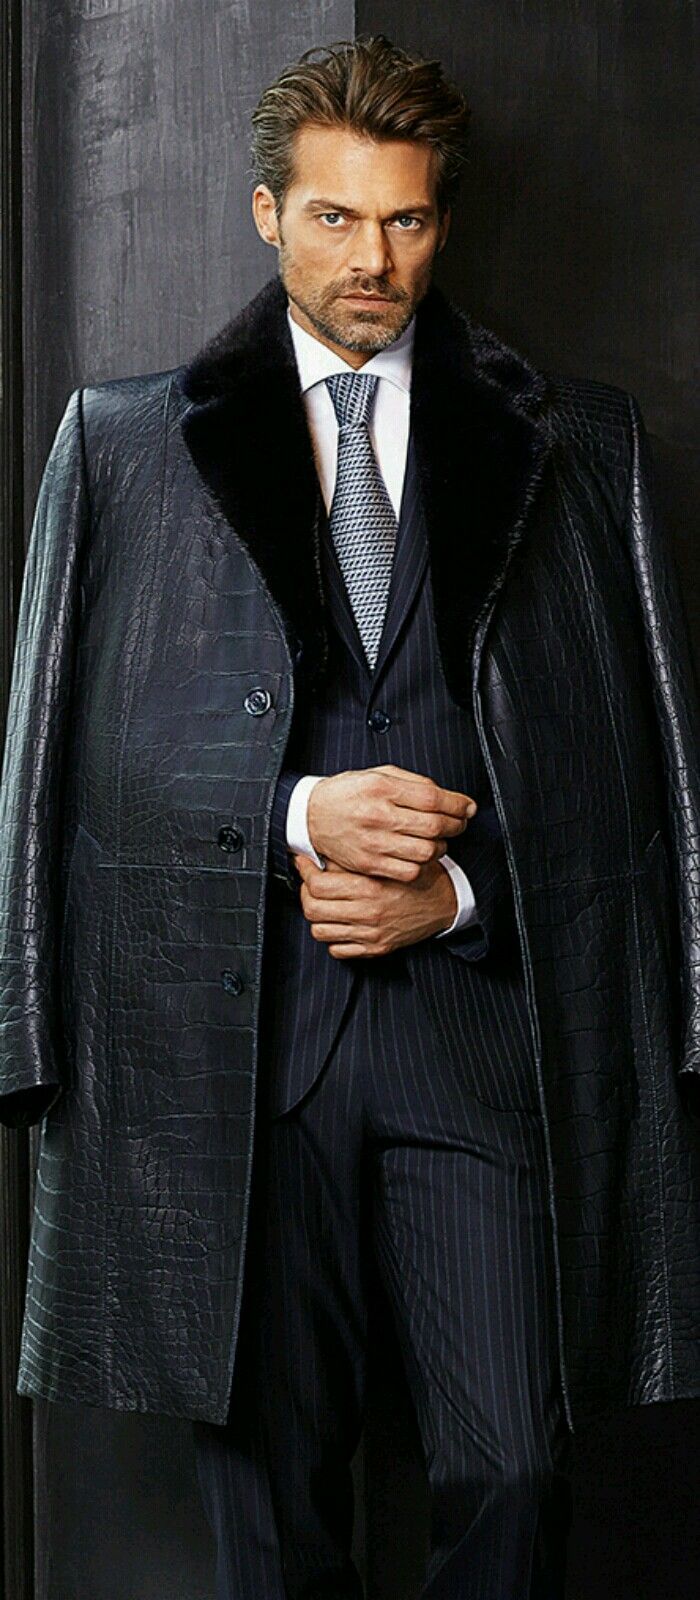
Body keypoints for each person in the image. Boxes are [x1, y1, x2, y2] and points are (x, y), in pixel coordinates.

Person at [0, 33, 698, 1600]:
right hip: (237, 1059)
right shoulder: (121, 446)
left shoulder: (581, 445)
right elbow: (66, 775)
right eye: (334, 218)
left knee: (518, 1473)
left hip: (484, 1043)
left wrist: (459, 896)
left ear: (442, 219)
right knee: (268, 1517)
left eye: (406, 221)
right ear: (267, 213)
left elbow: (633, 787)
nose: (372, 261)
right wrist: (299, 812)